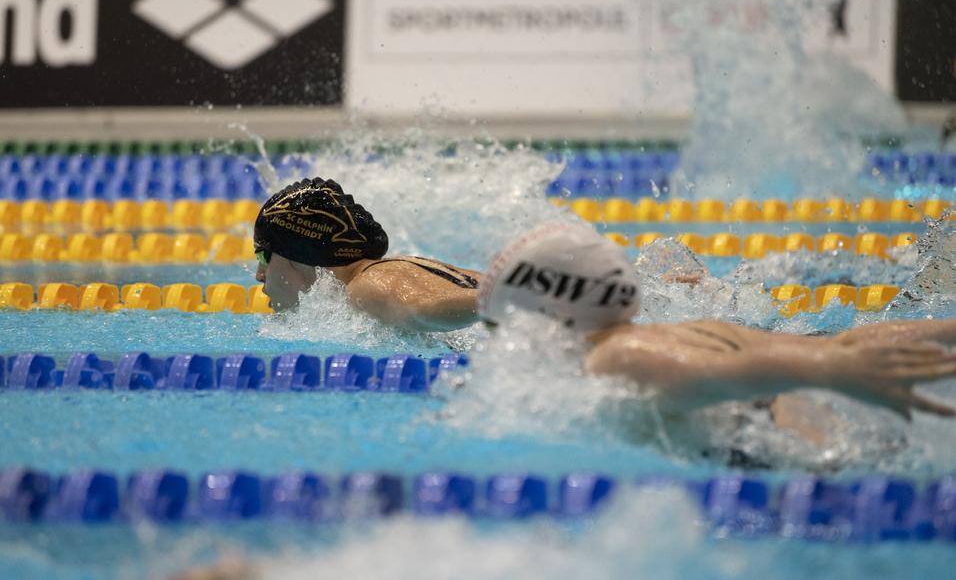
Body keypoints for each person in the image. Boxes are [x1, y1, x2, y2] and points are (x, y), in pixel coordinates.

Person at [479, 221, 956, 422]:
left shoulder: (616, 355)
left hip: (795, 440)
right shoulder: (679, 332)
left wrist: (828, 369)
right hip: (808, 404)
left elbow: (716, 376)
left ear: (550, 313)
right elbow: (844, 340)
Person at [253, 177, 481, 332]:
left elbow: (425, 310)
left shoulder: (367, 287)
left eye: (263, 257)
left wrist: (501, 298)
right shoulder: (396, 266)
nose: (259, 274)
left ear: (296, 254)